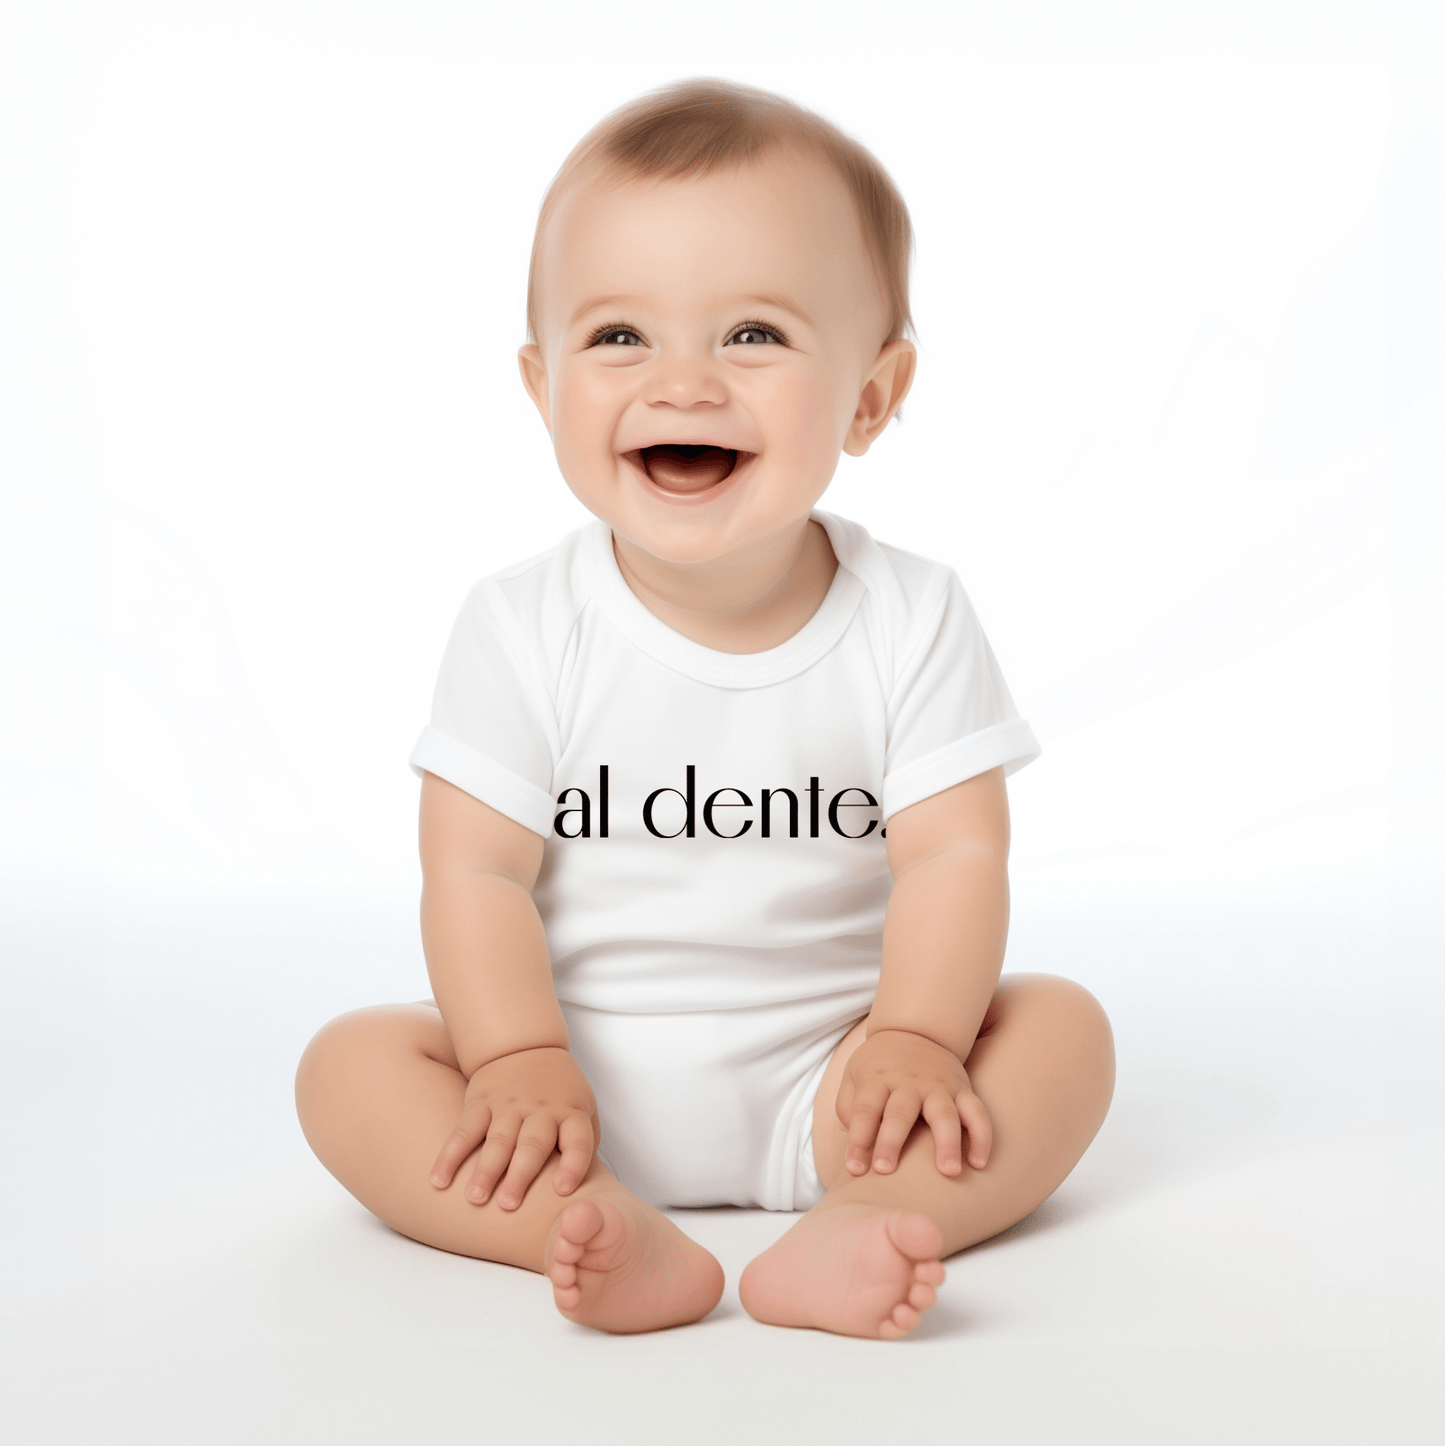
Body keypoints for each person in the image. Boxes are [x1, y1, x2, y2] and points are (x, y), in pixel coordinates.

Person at [295, 78, 1115, 1339]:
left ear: (870, 396)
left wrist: (912, 1036)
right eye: (618, 337)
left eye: (753, 336)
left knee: (1060, 1032)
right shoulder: (521, 624)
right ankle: (582, 1227)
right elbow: (474, 877)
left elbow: (955, 852)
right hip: (569, 1084)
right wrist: (515, 1058)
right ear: (541, 383)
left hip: (838, 1080)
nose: (681, 383)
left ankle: (859, 1221)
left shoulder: (911, 615)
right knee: (349, 1067)